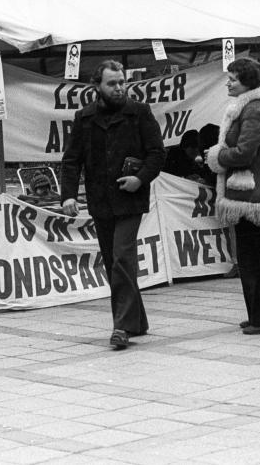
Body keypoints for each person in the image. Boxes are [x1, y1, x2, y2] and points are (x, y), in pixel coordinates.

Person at [61, 60, 165, 350]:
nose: (119, 87)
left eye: (122, 82)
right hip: (100, 201)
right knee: (113, 262)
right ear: (97, 86)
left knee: (121, 257)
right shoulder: (84, 118)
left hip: (130, 199)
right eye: (112, 83)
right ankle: (137, 321)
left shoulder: (140, 112)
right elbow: (72, 160)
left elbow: (157, 153)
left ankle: (122, 327)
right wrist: (68, 195)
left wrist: (140, 179)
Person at [205, 57, 260, 335]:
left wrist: (216, 156)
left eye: (233, 79)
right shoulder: (250, 107)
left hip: (252, 193)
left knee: (255, 258)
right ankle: (258, 314)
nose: (228, 83)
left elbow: (244, 153)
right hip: (248, 191)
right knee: (251, 256)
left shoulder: (255, 109)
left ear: (247, 82)